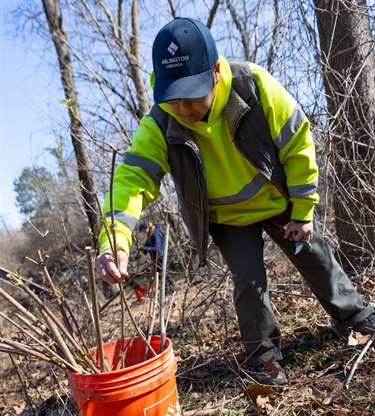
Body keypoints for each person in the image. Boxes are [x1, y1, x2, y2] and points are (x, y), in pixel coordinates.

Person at [96, 17, 375, 385]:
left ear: (214, 73)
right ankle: (264, 361)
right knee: (249, 280)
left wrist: (304, 211)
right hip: (227, 218)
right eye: (173, 98)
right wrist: (115, 241)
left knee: (314, 255)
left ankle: (355, 318)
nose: (183, 109)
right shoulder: (160, 124)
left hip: (277, 200)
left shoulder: (254, 86)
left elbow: (298, 145)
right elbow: (131, 180)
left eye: (191, 96)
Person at [138, 220, 177, 293]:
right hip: (156, 258)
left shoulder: (156, 234)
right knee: (160, 276)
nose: (144, 232)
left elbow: (157, 248)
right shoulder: (150, 234)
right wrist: (143, 249)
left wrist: (146, 249)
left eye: (144, 230)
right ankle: (166, 291)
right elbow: (147, 245)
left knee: (165, 274)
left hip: (161, 257)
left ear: (147, 227)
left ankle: (173, 290)